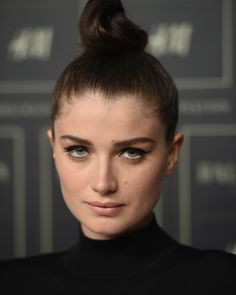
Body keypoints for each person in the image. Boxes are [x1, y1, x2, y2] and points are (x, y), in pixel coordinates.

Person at [0, 0, 235, 293]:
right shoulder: (10, 283)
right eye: (78, 150)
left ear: (172, 154)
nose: (103, 183)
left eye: (131, 152)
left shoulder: (224, 281)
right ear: (54, 147)